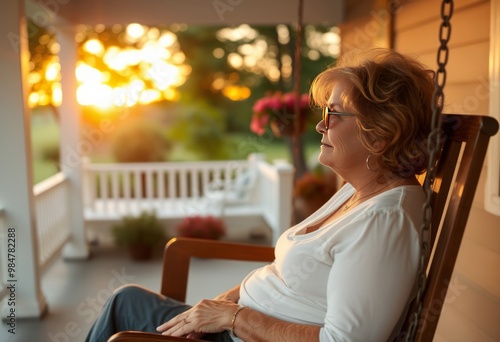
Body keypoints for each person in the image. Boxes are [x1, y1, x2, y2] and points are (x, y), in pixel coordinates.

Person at [85, 48, 435, 342]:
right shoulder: (357, 193)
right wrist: (221, 304)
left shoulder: (385, 220)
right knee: (126, 300)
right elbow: (288, 271)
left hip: (240, 334)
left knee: (123, 309)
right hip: (231, 327)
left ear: (380, 133)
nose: (321, 125)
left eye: (335, 113)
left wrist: (234, 317)